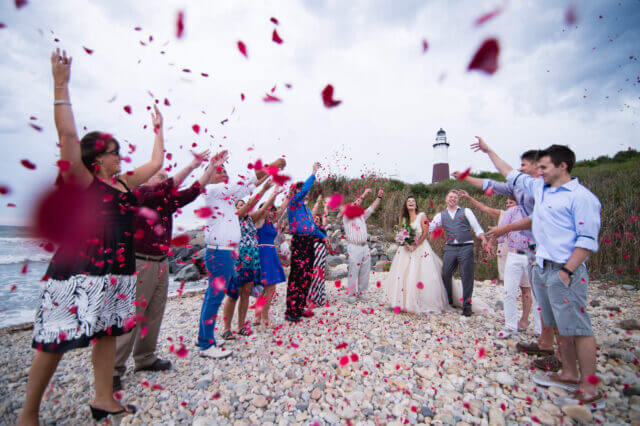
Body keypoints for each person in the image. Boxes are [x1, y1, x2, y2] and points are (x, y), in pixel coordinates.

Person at [19, 49, 165, 425]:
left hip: (115, 273)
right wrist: (60, 85)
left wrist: (159, 130)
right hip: (78, 272)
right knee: (55, 340)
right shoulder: (80, 180)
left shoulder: (122, 183)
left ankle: (104, 398)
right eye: (115, 154)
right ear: (97, 159)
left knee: (107, 333)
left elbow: (156, 165)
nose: (121, 159)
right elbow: (67, 133)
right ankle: (28, 414)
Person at [476, 141, 603, 408]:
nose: (539, 171)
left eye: (544, 167)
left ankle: (591, 388)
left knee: (578, 327)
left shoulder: (581, 198)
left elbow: (587, 241)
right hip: (542, 266)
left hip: (564, 268)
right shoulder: (541, 189)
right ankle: (568, 373)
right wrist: (489, 152)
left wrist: (567, 271)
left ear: (562, 166)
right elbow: (510, 173)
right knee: (558, 323)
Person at [113, 150, 226, 392]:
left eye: (165, 175)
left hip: (161, 261)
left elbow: (194, 191)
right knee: (133, 315)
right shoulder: (140, 194)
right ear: (147, 181)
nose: (164, 180)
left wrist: (209, 169)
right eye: (160, 176)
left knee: (154, 311)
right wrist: (193, 165)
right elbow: (170, 186)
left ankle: (145, 358)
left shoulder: (166, 201)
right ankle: (113, 369)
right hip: (139, 262)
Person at [457, 144, 561, 371]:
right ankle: (539, 340)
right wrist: (466, 177)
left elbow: (535, 218)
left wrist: (505, 229)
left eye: (524, 164)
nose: (520, 168)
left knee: (545, 297)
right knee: (532, 293)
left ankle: (557, 350)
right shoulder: (524, 188)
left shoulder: (547, 188)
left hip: (550, 251)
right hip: (530, 250)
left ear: (537, 166)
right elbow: (491, 185)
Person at [197, 156, 285, 357]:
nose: (224, 173)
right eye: (219, 171)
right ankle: (206, 345)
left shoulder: (224, 198)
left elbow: (247, 191)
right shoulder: (213, 190)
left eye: (225, 170)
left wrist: (265, 182)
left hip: (225, 251)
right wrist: (271, 167)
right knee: (215, 298)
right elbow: (245, 183)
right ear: (208, 175)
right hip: (219, 251)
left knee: (213, 297)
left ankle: (203, 338)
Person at [458, 190, 541, 337]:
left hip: (531, 254)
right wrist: (490, 241)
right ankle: (510, 326)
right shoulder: (509, 212)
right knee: (509, 291)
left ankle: (539, 330)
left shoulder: (536, 209)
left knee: (535, 292)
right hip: (513, 254)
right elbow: (500, 230)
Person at [382, 197, 450, 313]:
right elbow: (401, 233)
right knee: (403, 274)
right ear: (406, 205)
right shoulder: (403, 219)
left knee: (420, 274)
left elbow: (426, 232)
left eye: (413, 201)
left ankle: (422, 302)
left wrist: (415, 245)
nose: (411, 203)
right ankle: (402, 302)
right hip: (405, 250)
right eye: (409, 201)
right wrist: (404, 242)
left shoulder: (422, 215)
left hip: (420, 248)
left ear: (416, 205)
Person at [428, 190, 489, 316]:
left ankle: (467, 306)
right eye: (450, 197)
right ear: (446, 199)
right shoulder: (441, 215)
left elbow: (476, 227)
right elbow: (430, 227)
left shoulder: (466, 211)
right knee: (445, 273)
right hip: (450, 247)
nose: (453, 199)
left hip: (466, 246)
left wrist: (483, 238)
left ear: (458, 200)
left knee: (466, 275)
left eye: (455, 197)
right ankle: (449, 300)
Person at [284, 162, 329, 322]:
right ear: (295, 192)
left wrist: (324, 237)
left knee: (307, 275)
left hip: (309, 242)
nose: (305, 193)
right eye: (301, 190)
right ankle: (291, 311)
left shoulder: (307, 209)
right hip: (299, 242)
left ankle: (300, 306)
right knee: (297, 276)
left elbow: (312, 228)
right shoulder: (293, 204)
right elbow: (304, 190)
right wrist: (313, 172)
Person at [254, 188, 289, 327]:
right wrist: (273, 194)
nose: (271, 211)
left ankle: (258, 315)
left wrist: (288, 195)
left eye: (271, 210)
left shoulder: (270, 222)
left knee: (268, 288)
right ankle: (263, 316)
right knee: (268, 288)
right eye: (268, 209)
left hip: (271, 253)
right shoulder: (259, 220)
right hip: (262, 254)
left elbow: (281, 210)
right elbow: (265, 210)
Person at [343, 188, 384, 303]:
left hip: (365, 246)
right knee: (353, 272)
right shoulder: (346, 218)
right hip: (354, 246)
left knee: (365, 272)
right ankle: (351, 296)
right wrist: (364, 194)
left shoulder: (361, 216)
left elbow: (372, 207)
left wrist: (379, 197)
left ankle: (362, 294)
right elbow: (356, 204)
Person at [307, 195, 331, 309]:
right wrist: (318, 201)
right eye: (315, 219)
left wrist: (325, 206)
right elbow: (311, 215)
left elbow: (325, 216)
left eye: (318, 219)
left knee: (320, 276)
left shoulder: (322, 228)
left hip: (321, 254)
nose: (316, 220)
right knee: (312, 276)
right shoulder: (311, 228)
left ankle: (319, 298)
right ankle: (310, 299)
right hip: (312, 252)